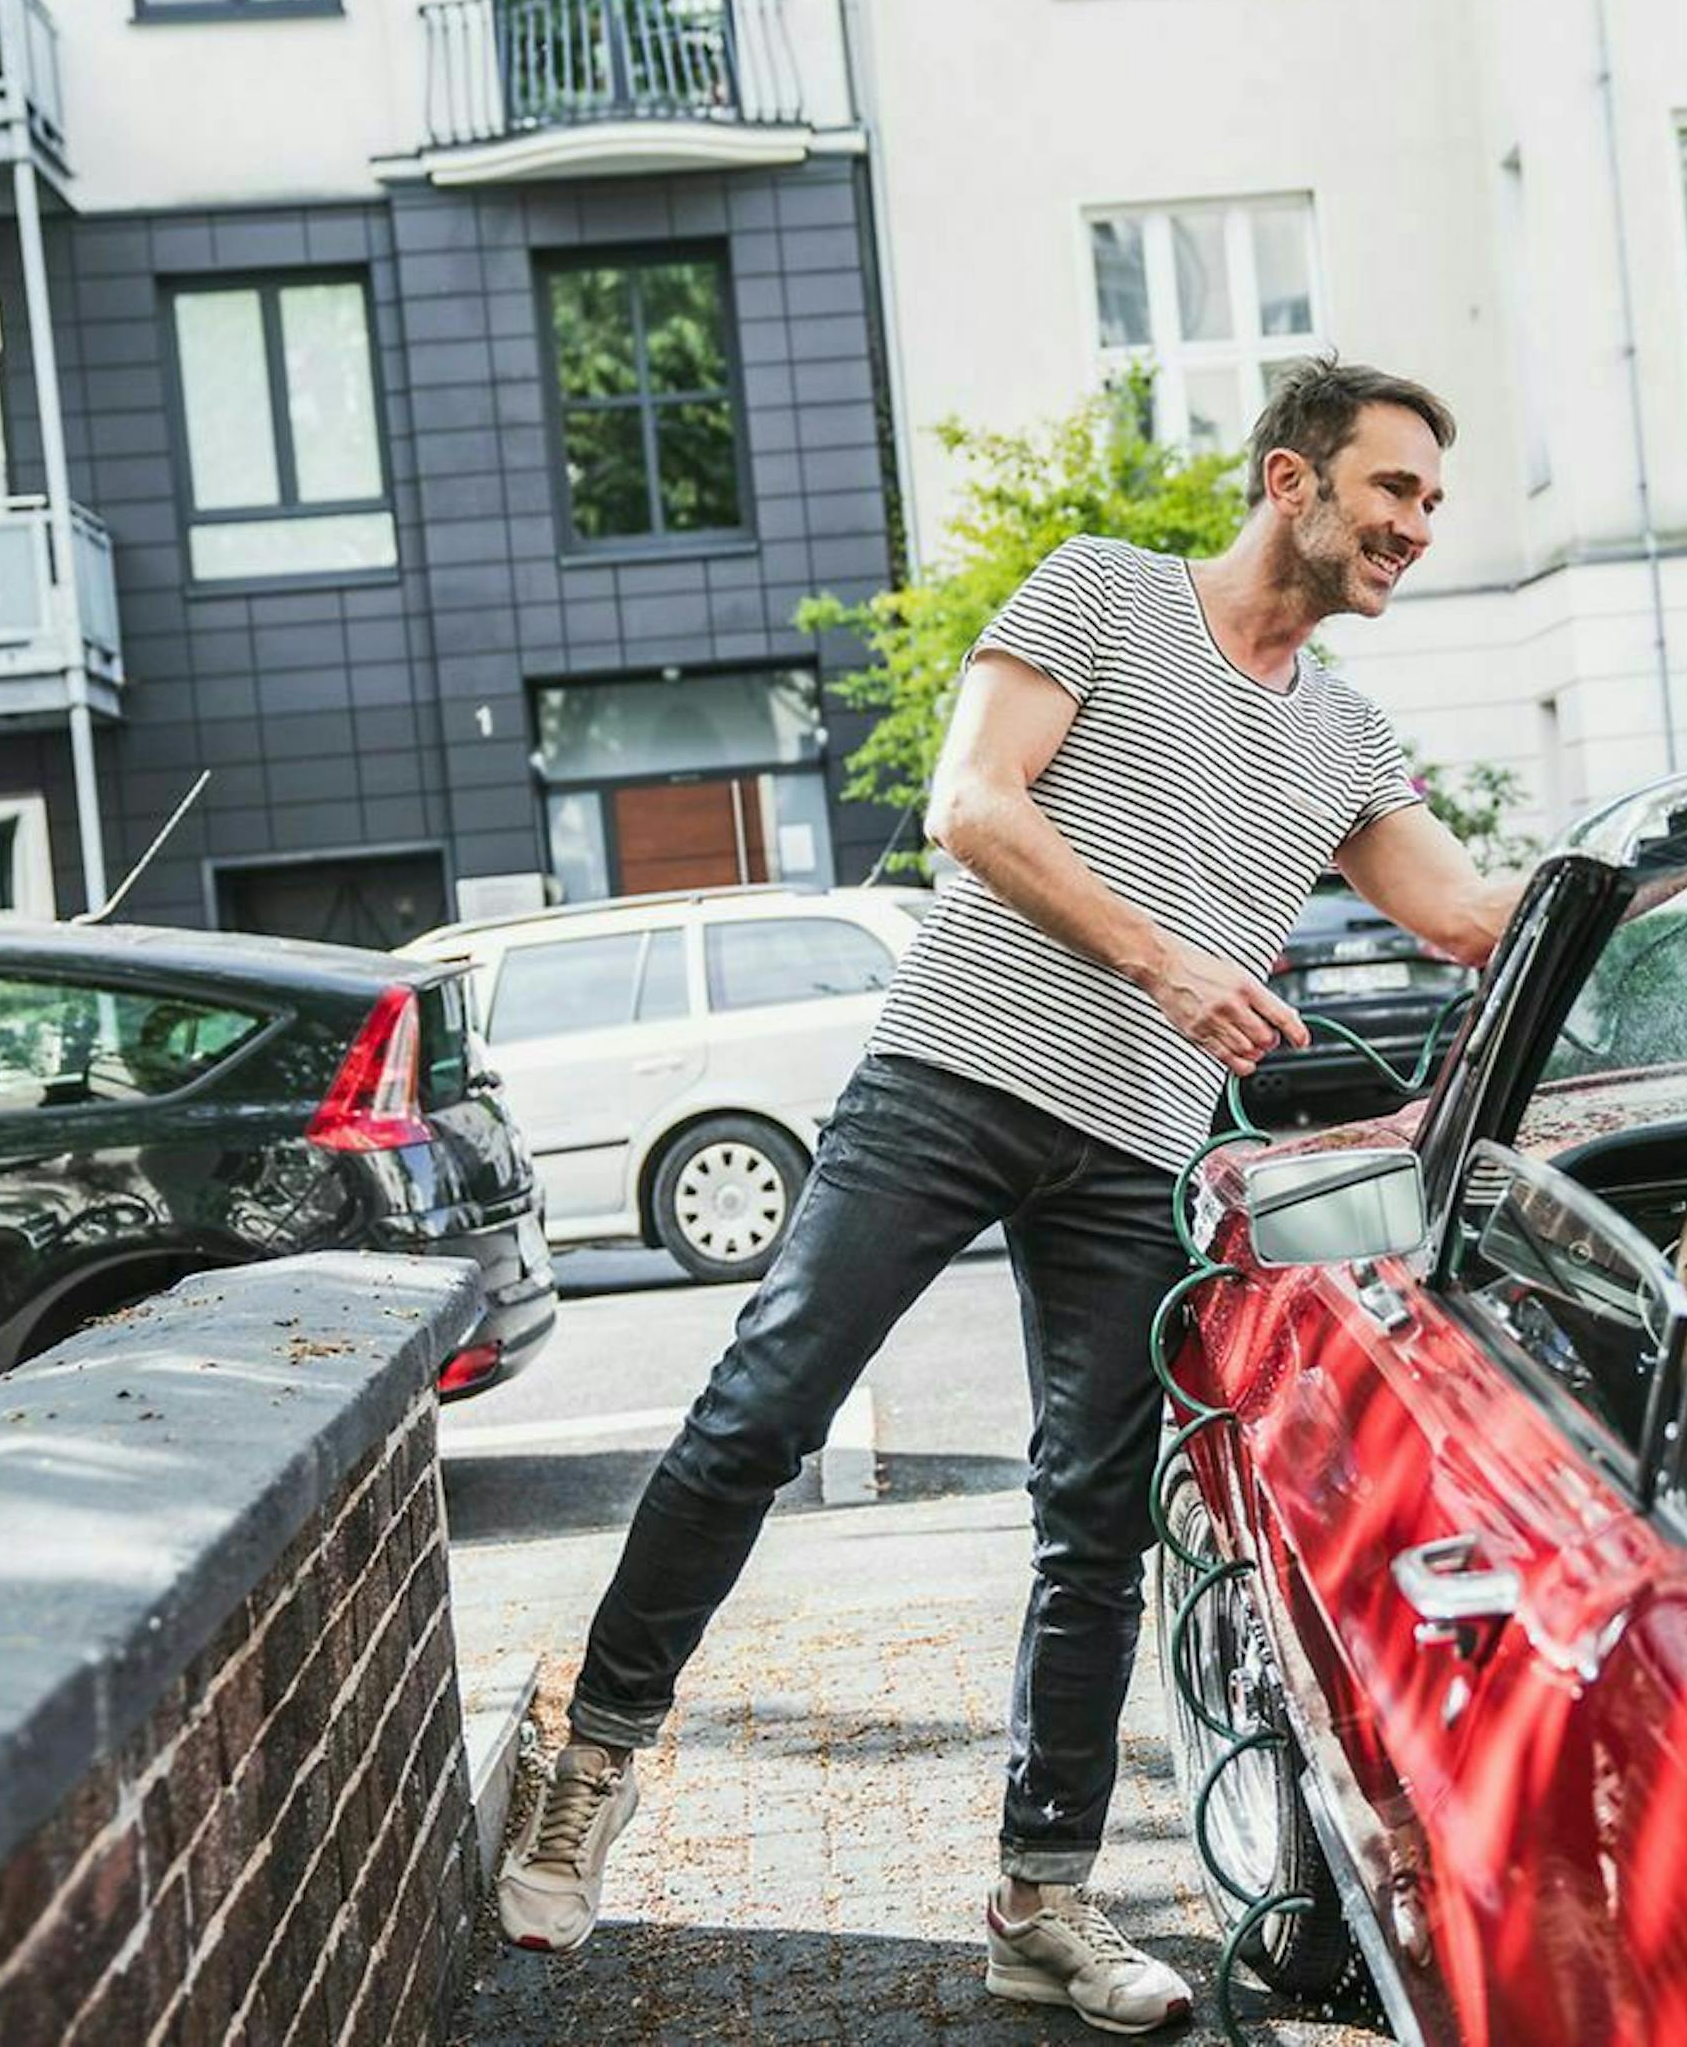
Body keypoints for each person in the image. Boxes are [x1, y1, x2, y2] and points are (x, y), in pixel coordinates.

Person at [495, 360, 1526, 2034]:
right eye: (1395, 491)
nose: (1418, 527)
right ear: (1292, 480)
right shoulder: (1101, 591)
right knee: (757, 1412)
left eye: (1430, 503)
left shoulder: (1346, 734)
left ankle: (1040, 1905)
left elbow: (1472, 916)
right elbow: (971, 805)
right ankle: (594, 1759)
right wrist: (1169, 961)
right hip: (954, 1081)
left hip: (1135, 1142)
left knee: (1095, 1526)